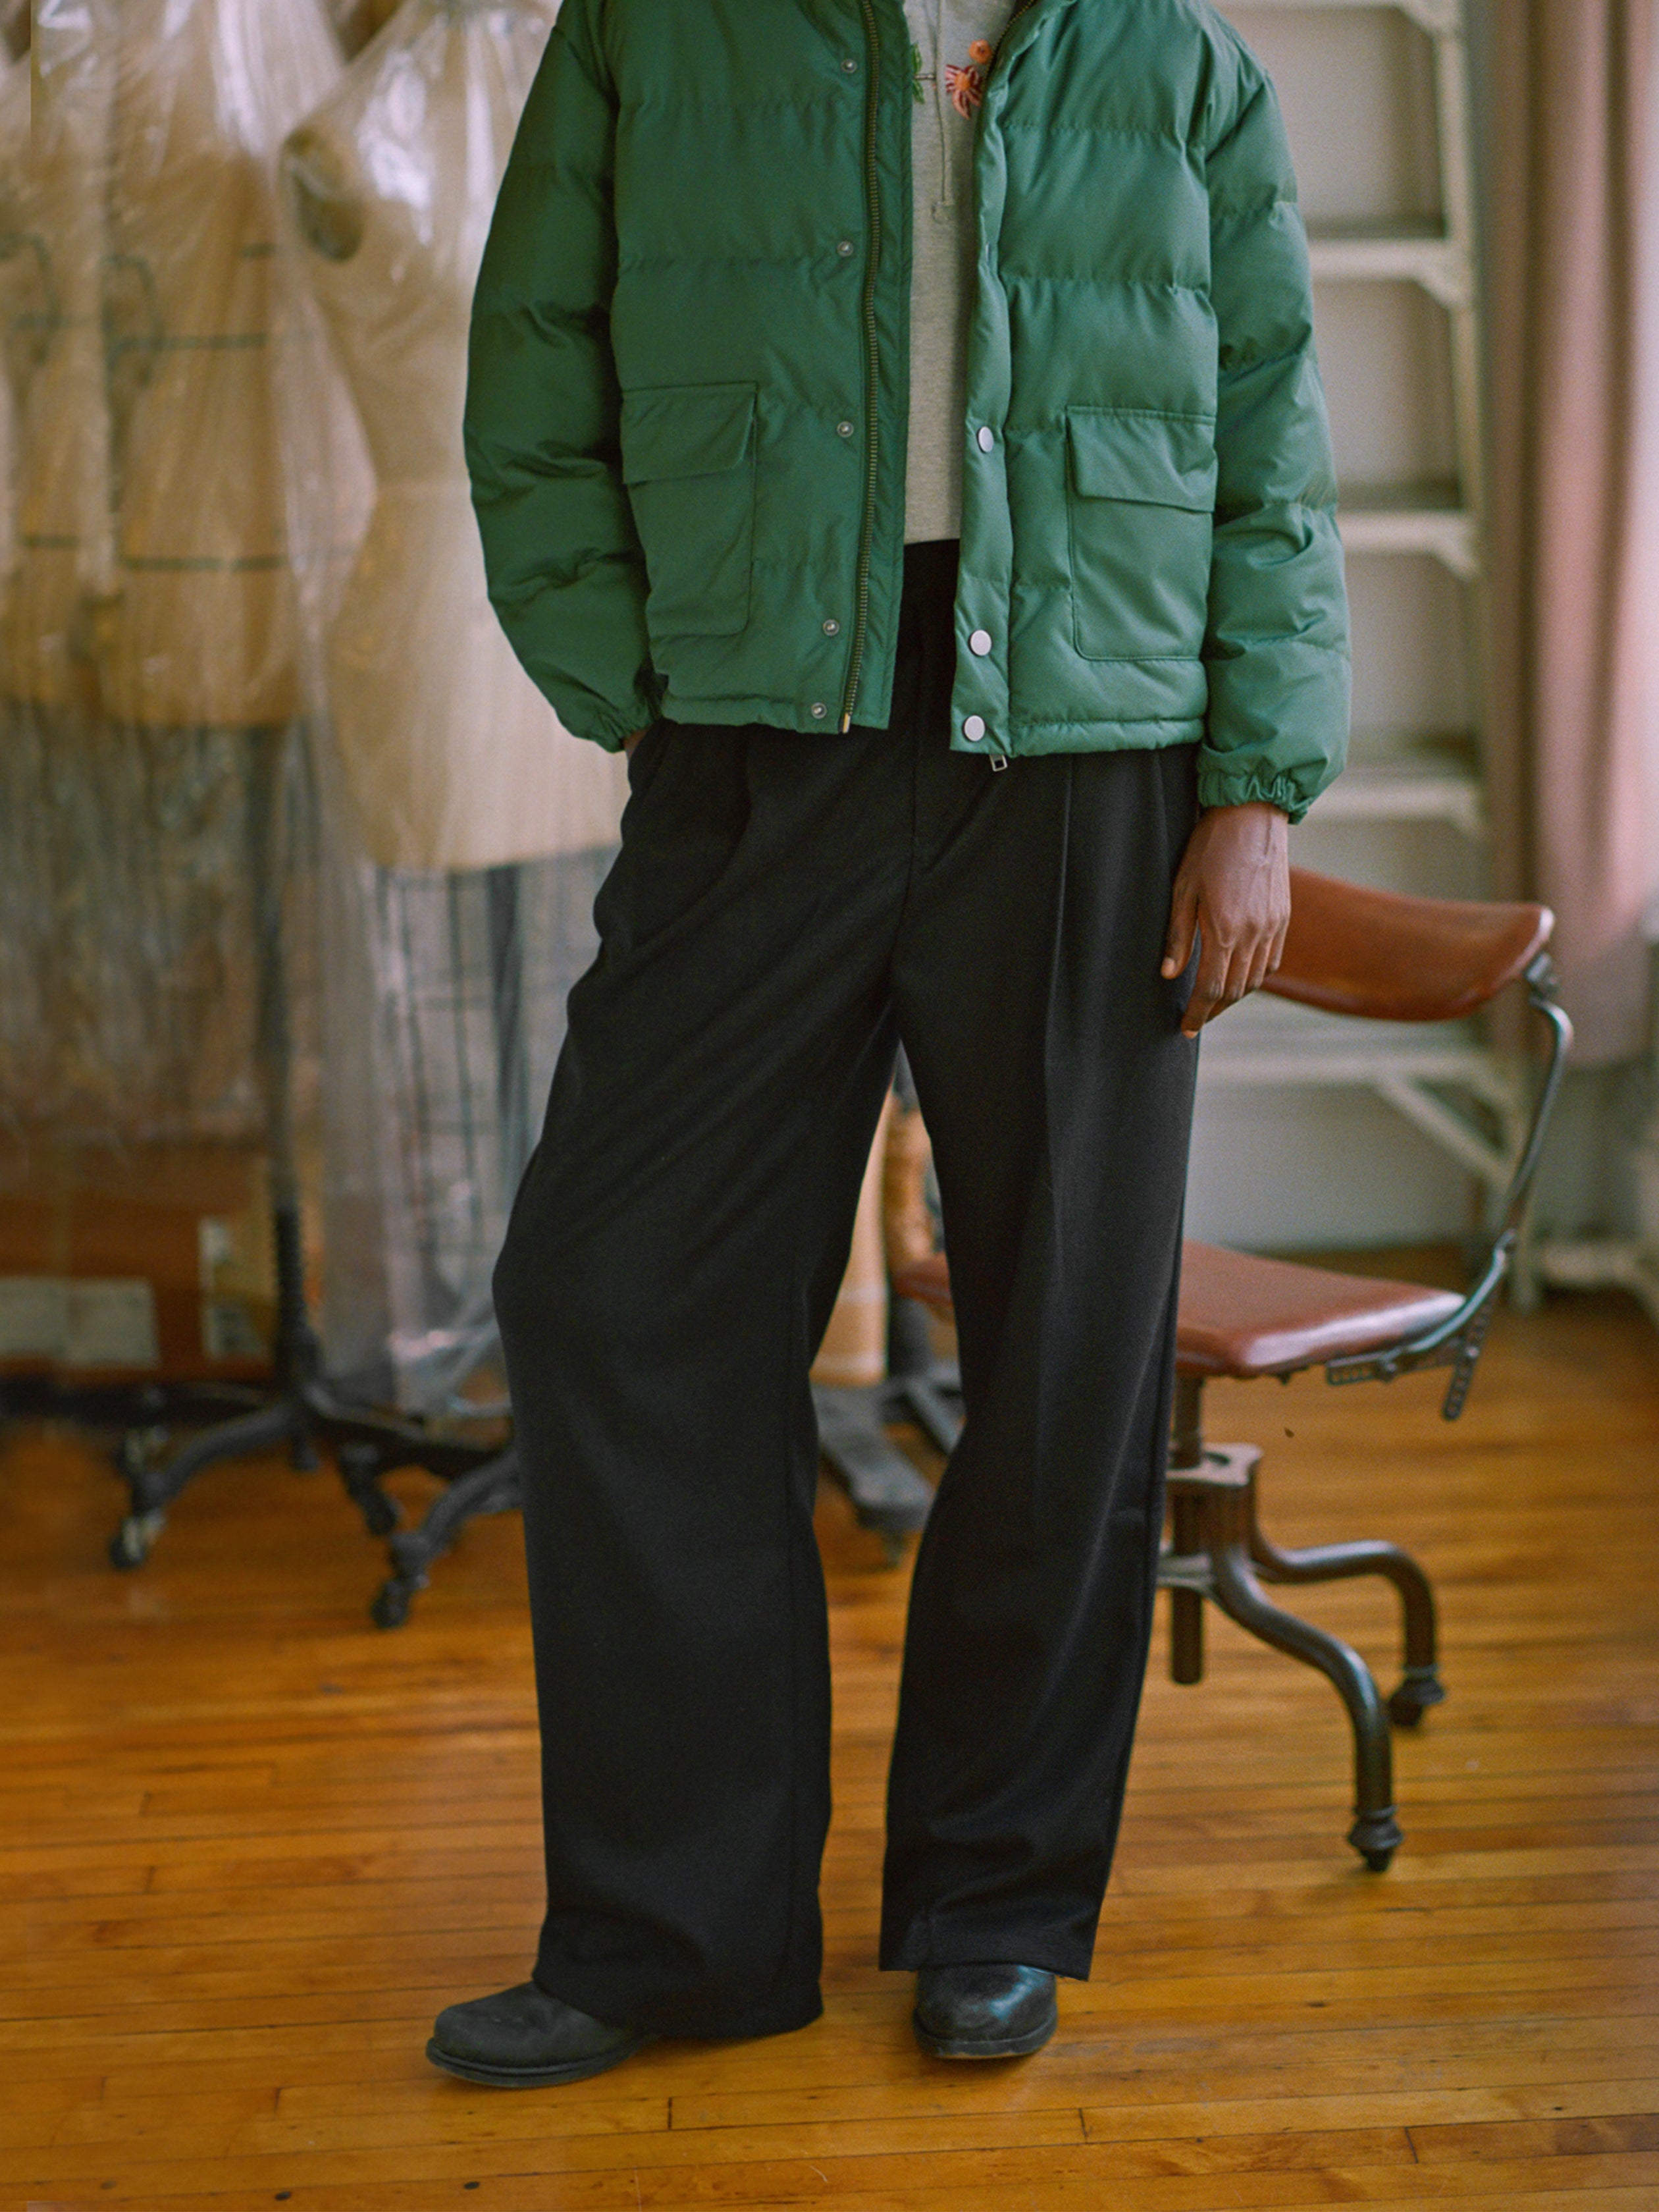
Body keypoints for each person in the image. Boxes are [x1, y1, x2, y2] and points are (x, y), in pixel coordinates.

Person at [430, 0, 1348, 2087]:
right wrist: (635, 681)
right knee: (615, 1287)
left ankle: (994, 1899)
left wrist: (1259, 784)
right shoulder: (657, 32)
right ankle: (672, 1933)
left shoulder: (1178, 64)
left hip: (1095, 755)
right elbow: (530, 363)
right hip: (763, 731)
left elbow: (1276, 435)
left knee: (1067, 1346)